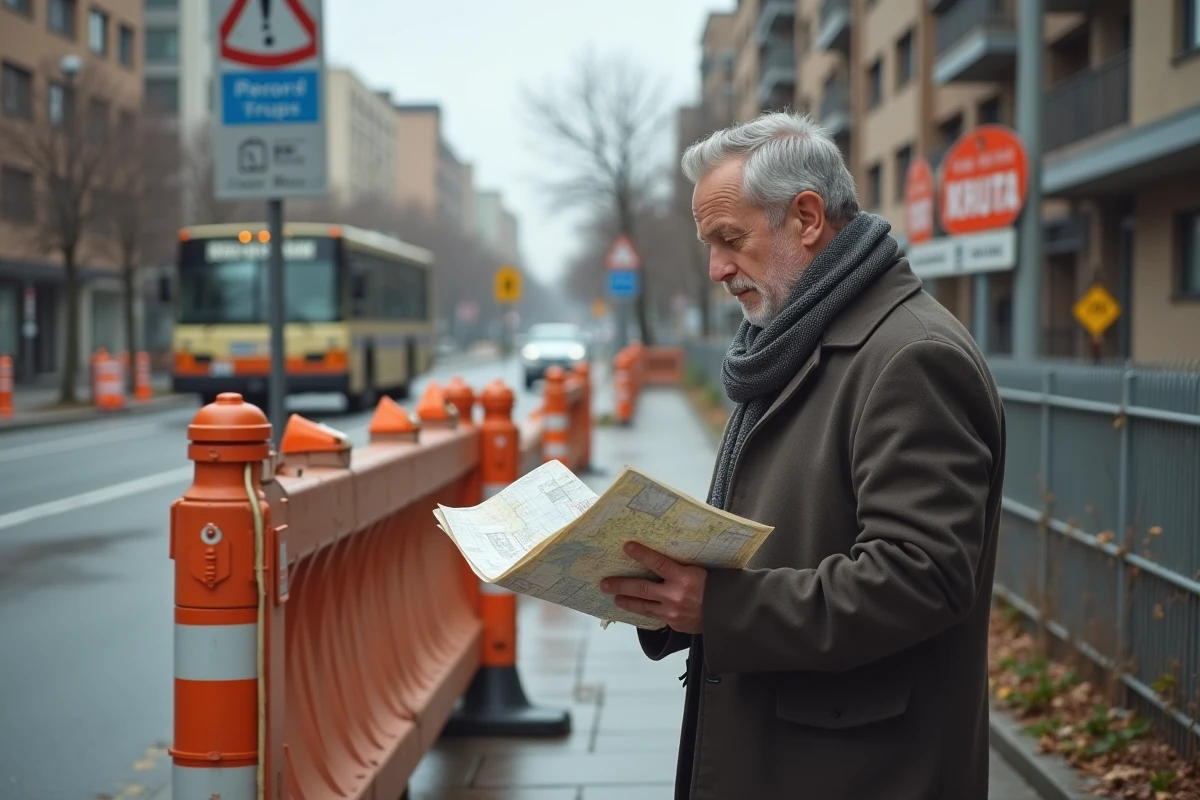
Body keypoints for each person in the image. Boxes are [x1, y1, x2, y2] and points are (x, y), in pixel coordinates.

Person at [599, 111, 1007, 799]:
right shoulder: (797, 335)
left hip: (859, 768)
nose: (717, 269)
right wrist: (670, 588)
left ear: (808, 218)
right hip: (799, 747)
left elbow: (922, 577)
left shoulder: (911, 356)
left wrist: (720, 607)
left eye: (729, 239)